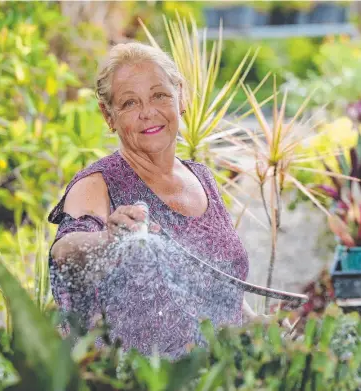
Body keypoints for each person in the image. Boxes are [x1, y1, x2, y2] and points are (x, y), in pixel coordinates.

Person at [48, 42, 287, 359]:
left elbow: (214, 287)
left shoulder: (201, 178)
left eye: (159, 95)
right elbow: (64, 252)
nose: (148, 112)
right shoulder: (97, 184)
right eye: (130, 103)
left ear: (180, 96)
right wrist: (108, 239)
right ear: (109, 115)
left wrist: (259, 324)